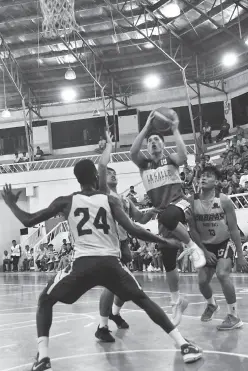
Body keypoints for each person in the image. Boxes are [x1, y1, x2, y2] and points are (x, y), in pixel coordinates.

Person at [2, 162, 203, 370]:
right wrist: (165, 241)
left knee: (45, 301)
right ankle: (184, 344)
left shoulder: (65, 201)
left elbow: (28, 220)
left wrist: (11, 204)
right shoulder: (109, 200)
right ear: (96, 179)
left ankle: (43, 357)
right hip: (110, 264)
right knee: (143, 300)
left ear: (77, 179)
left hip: (82, 264)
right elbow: (133, 229)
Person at [130, 109, 206, 327]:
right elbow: (132, 153)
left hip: (179, 204)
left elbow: (183, 157)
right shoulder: (144, 164)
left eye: (156, 140)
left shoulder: (170, 159)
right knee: (168, 261)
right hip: (163, 214)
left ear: (163, 145)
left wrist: (174, 129)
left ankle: (192, 247)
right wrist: (146, 127)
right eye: (150, 141)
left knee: (170, 215)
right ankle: (176, 301)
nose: (153, 142)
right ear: (147, 147)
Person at [96, 131, 157, 342]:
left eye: (114, 173)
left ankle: (114, 312)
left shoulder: (123, 198)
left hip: (122, 244)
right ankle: (102, 326)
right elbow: (102, 167)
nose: (113, 175)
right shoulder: (103, 193)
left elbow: (140, 218)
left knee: (122, 288)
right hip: (107, 245)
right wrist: (109, 146)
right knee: (112, 285)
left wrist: (151, 211)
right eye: (109, 173)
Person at [185, 166, 248, 329]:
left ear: (217, 182)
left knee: (222, 274)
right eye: (201, 176)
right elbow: (192, 229)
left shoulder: (224, 200)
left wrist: (240, 256)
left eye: (208, 176)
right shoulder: (192, 201)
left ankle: (234, 316)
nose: (203, 178)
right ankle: (211, 304)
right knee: (202, 282)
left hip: (223, 242)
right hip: (204, 245)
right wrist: (204, 251)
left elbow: (234, 229)